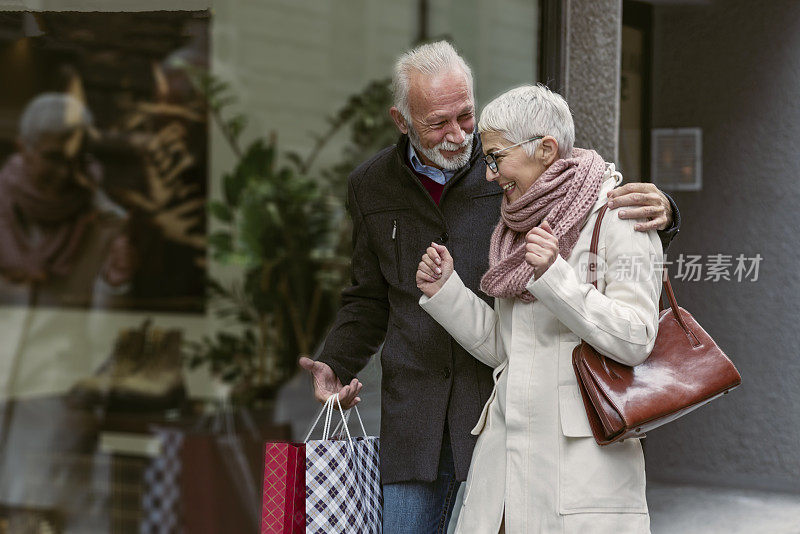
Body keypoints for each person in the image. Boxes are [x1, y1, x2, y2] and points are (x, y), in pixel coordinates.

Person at [299, 41, 677, 533]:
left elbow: (592, 195)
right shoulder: (373, 185)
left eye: (466, 116)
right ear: (402, 120)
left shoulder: (518, 171)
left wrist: (665, 213)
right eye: (438, 123)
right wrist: (340, 360)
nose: (461, 138)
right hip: (419, 411)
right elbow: (369, 296)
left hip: (506, 412)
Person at [416, 84, 661, 533]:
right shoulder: (513, 228)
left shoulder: (619, 217)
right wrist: (447, 292)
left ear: (546, 149)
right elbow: (507, 351)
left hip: (580, 478)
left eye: (495, 157)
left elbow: (637, 338)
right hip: (504, 481)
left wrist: (555, 278)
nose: (489, 175)